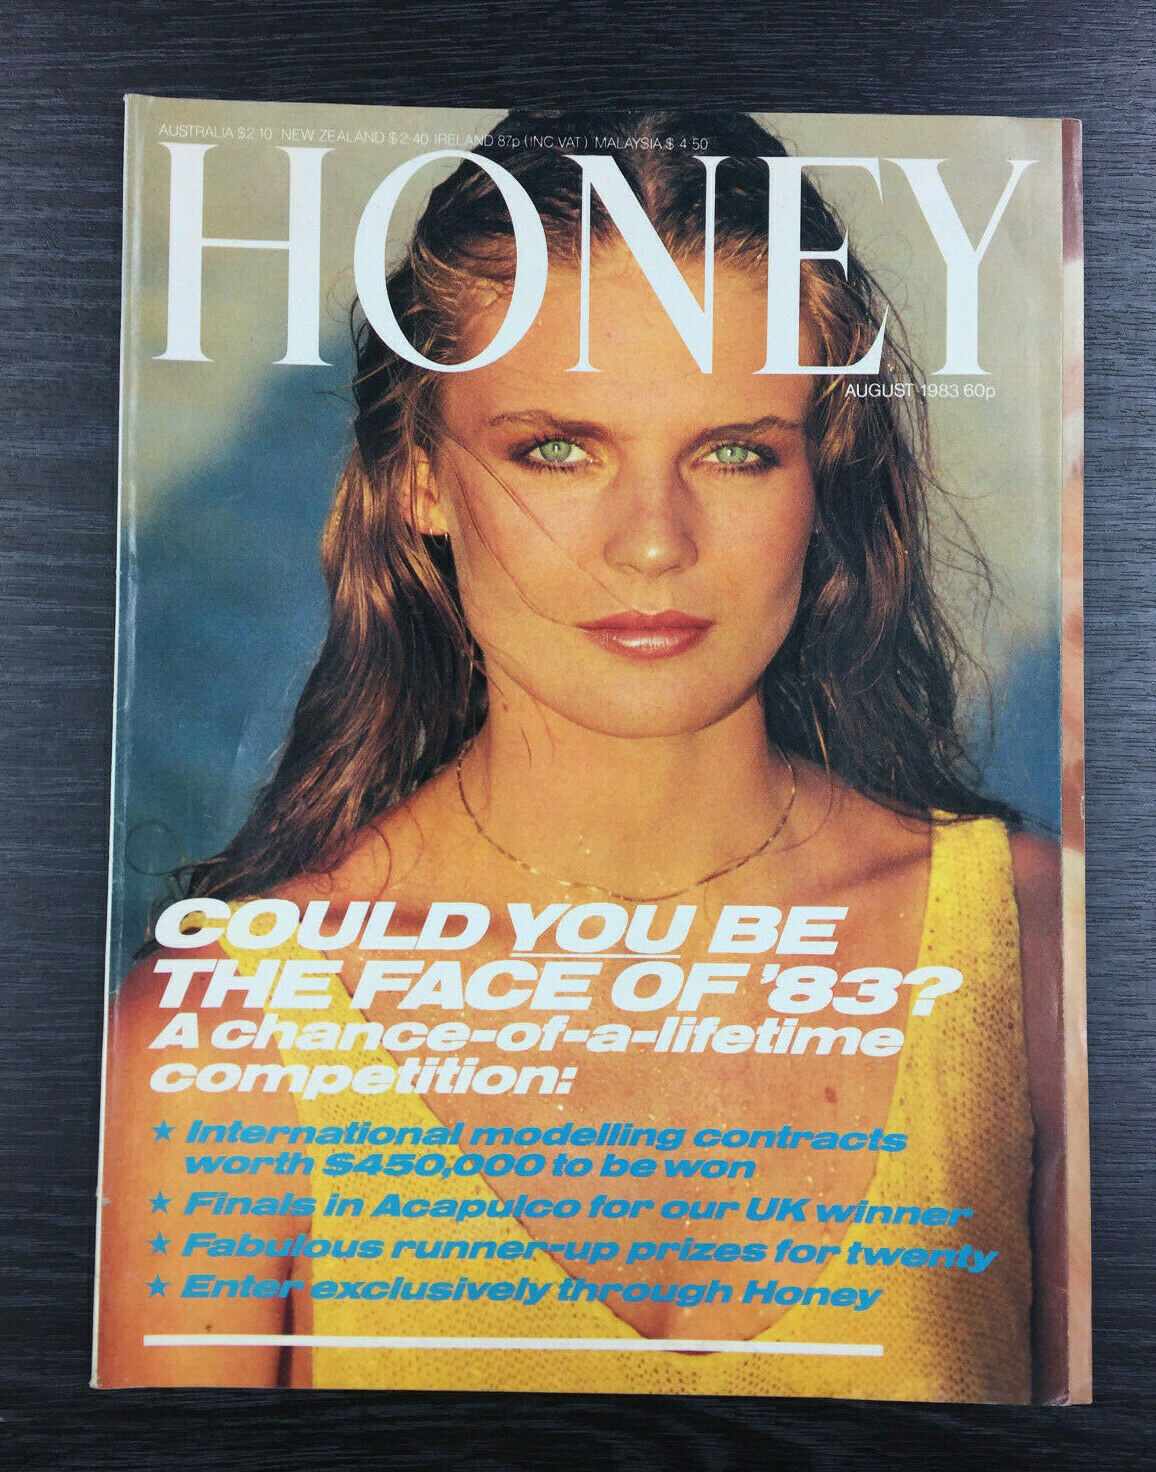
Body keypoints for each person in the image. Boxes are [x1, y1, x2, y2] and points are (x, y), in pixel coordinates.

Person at [97, 109, 1065, 1399]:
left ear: (821, 472)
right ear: (419, 478)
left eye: (736, 452)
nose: (653, 542)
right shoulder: (223, 1035)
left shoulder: (1043, 958)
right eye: (557, 450)